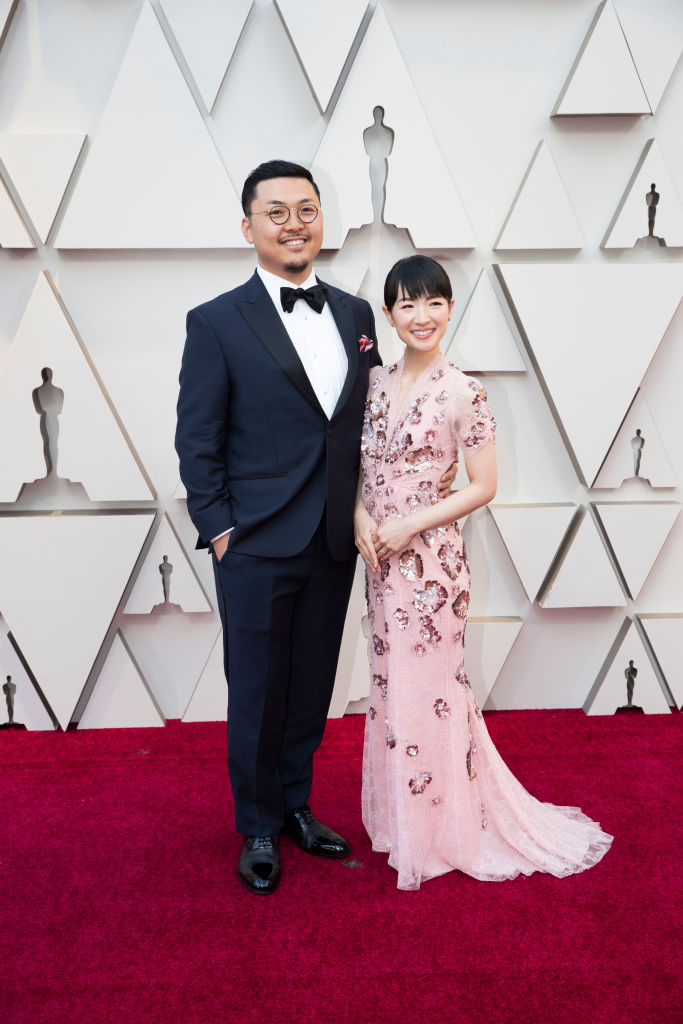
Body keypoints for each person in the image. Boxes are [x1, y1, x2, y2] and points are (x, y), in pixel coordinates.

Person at [175, 160, 456, 895]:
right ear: (249, 227)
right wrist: (220, 531)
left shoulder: (358, 315)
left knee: (308, 687)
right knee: (257, 691)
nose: (294, 222)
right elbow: (196, 440)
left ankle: (296, 805)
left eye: (306, 208)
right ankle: (258, 824)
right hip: (256, 542)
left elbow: (359, 425)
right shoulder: (213, 322)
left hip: (335, 537)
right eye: (277, 211)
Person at [354, 255, 613, 891]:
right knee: (392, 685)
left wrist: (410, 524)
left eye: (435, 302)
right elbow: (357, 468)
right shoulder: (374, 385)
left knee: (433, 686)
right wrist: (362, 515)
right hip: (380, 562)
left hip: (433, 565)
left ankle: (445, 829)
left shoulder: (464, 389)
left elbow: (484, 486)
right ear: (388, 314)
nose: (423, 316)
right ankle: (402, 822)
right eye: (408, 304)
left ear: (449, 308)